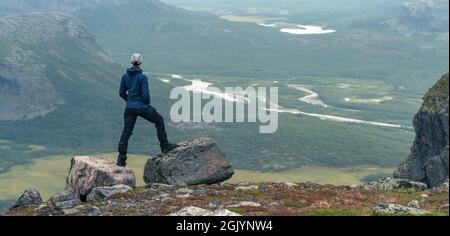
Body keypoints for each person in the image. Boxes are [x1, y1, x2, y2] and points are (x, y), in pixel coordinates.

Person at [116, 53, 177, 167]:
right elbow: (146, 96)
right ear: (140, 63)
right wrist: (145, 104)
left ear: (131, 62)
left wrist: (129, 101)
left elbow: (121, 93)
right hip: (142, 107)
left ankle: (121, 159)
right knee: (159, 120)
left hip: (129, 108)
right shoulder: (142, 77)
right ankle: (164, 146)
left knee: (126, 132)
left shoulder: (125, 77)